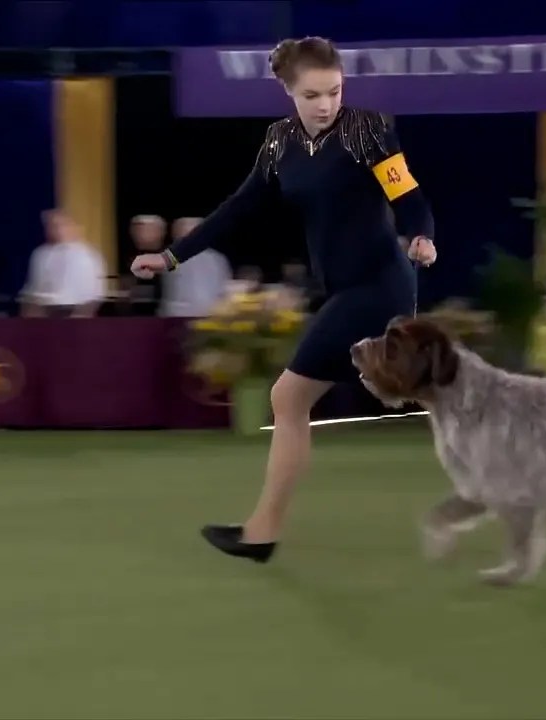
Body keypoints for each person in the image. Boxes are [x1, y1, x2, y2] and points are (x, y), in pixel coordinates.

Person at [130, 36, 437, 562]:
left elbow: (405, 193)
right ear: (289, 92)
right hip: (342, 289)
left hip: (380, 284)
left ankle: (261, 533)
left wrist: (420, 235)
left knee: (289, 399)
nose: (326, 104)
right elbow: (238, 208)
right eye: (313, 94)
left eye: (334, 91)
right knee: (391, 394)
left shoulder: (368, 129)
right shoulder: (279, 143)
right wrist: (172, 257)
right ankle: (262, 532)